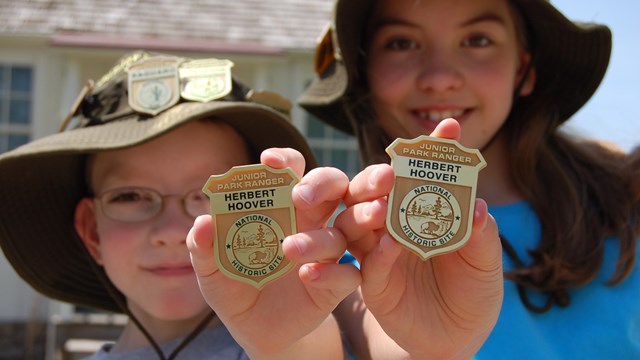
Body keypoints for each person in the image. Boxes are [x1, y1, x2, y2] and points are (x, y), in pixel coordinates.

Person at [299, 0, 639, 359]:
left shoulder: (629, 199)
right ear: (365, 74)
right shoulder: (348, 244)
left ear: (524, 69)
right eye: (401, 43)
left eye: (477, 40)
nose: (440, 79)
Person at [0, 51, 360, 359]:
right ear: (93, 232)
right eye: (130, 196)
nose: (173, 232)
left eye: (211, 195)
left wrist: (290, 340)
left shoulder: (293, 340)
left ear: (270, 214)